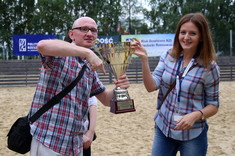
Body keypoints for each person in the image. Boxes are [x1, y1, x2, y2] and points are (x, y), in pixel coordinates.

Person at [29, 16, 130, 156]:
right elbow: (42, 46)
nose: (89, 33)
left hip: (75, 145)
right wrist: (87, 52)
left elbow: (106, 100)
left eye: (93, 30)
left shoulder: (89, 67)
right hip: (50, 140)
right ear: (71, 34)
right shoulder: (60, 55)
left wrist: (120, 87)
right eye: (83, 29)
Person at [131, 13, 220, 156]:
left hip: (193, 134)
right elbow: (151, 87)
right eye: (183, 32)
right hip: (164, 128)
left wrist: (195, 115)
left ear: (202, 37)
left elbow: (214, 105)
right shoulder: (168, 55)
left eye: (193, 33)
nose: (186, 37)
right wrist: (144, 60)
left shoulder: (210, 67)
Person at [64, 33, 98, 156]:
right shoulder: (58, 63)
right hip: (59, 137)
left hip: (81, 136)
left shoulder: (88, 68)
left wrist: (89, 133)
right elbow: (43, 45)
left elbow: (94, 102)